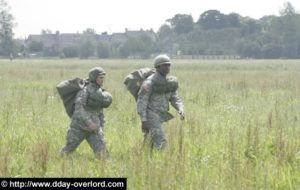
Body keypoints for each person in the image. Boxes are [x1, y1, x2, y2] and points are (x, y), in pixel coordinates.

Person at [60, 67, 112, 159]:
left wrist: (100, 126)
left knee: (103, 155)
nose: (102, 80)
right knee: (67, 151)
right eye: (100, 77)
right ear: (94, 77)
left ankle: (106, 170)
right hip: (79, 127)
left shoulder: (100, 92)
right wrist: (89, 123)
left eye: (103, 77)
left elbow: (100, 111)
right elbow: (78, 110)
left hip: (94, 129)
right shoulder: (84, 91)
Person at [137, 54, 184, 150]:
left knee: (149, 143)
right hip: (151, 115)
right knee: (162, 141)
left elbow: (174, 97)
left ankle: (143, 159)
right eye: (164, 65)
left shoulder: (169, 82)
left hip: (160, 115)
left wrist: (180, 108)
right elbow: (142, 102)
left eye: (168, 65)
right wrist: (144, 120)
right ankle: (164, 162)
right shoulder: (149, 83)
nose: (167, 67)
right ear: (158, 67)